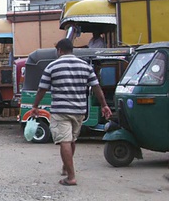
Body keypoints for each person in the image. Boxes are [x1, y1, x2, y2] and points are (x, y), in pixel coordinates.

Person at [30, 38, 112, 186]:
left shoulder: (52, 66)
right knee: (71, 140)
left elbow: (42, 88)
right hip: (79, 110)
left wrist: (35, 106)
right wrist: (104, 105)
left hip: (61, 110)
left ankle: (71, 177)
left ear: (60, 50)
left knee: (64, 141)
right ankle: (66, 167)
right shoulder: (85, 66)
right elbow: (96, 87)